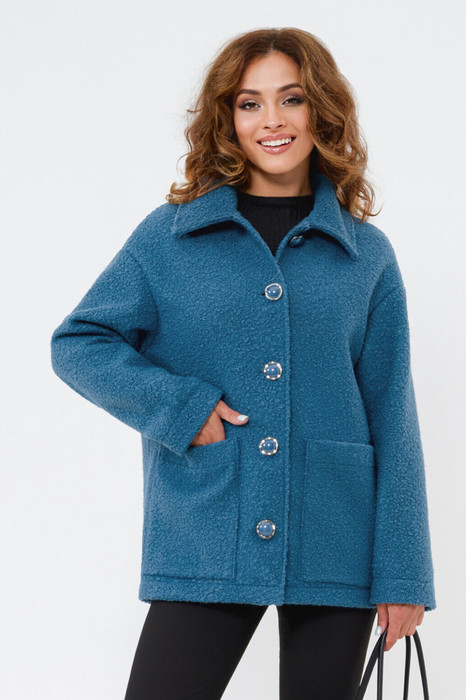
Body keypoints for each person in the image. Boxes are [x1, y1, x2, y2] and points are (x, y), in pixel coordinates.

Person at [50, 27, 436, 699]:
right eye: (250, 103)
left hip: (334, 538)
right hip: (205, 526)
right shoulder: (172, 235)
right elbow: (79, 342)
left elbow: (392, 413)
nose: (272, 120)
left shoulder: (366, 253)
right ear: (227, 119)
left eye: (292, 99)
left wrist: (404, 574)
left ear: (321, 110)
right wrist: (183, 408)